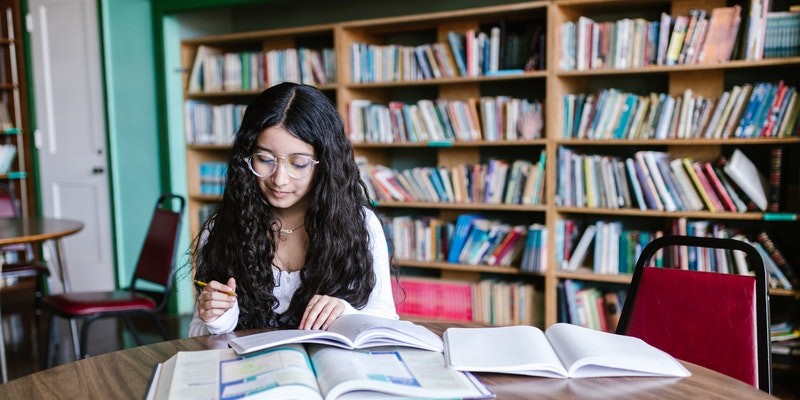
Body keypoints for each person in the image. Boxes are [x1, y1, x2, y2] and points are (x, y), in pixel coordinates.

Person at [188, 82, 398, 337]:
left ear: (325, 164)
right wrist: (217, 318)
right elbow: (197, 336)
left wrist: (345, 311)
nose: (279, 179)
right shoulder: (221, 230)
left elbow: (387, 323)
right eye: (264, 160)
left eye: (299, 163)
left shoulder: (361, 225)